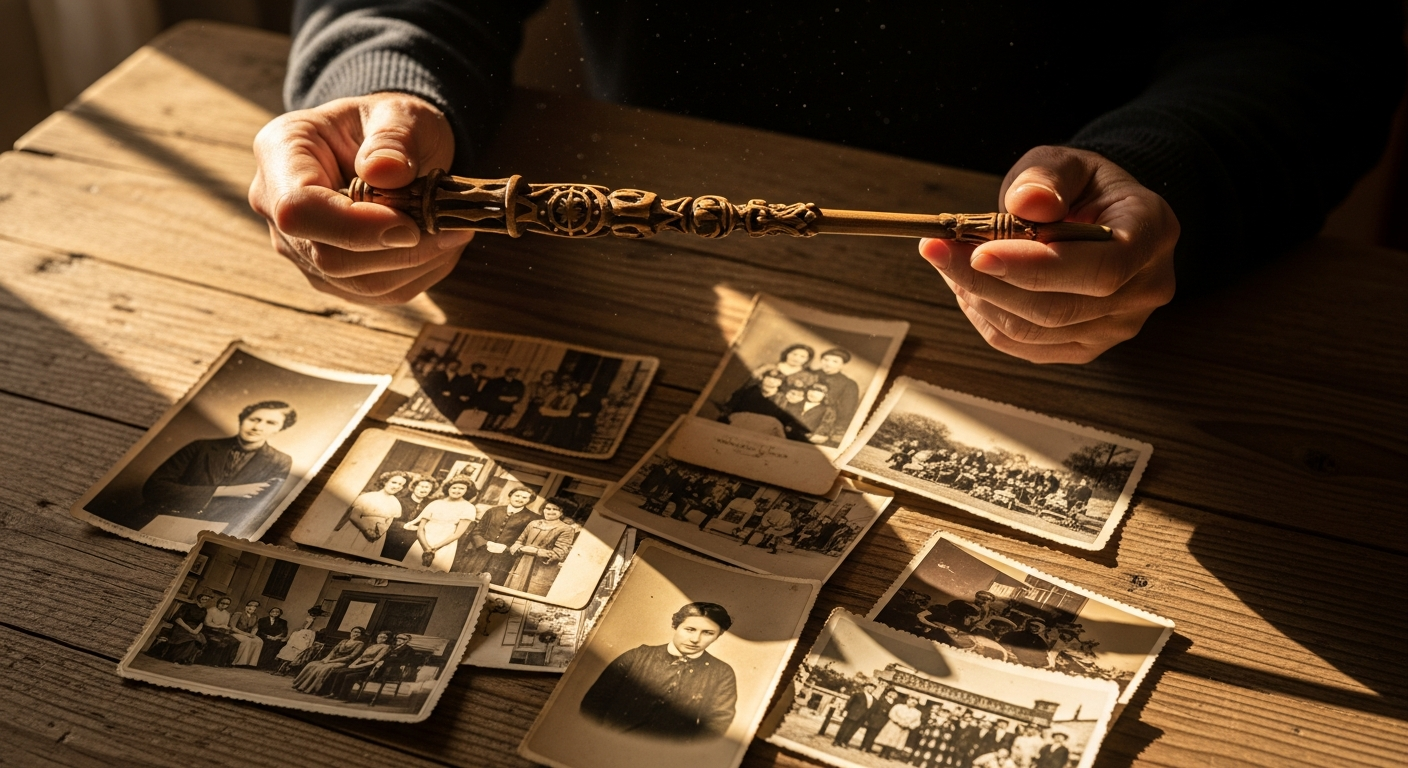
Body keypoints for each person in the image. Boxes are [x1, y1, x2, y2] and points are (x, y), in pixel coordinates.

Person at [250, 4, 1403, 367]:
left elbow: (1310, 34)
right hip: (629, 303)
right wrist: (378, 79)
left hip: (1080, 323)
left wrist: (1175, 166)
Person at [127, 401, 295, 537]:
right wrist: (223, 491)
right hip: (163, 520)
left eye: (270, 422)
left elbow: (258, 508)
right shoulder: (202, 447)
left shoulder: (280, 461)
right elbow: (154, 488)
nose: (258, 427)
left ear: (280, 428)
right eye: (254, 419)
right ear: (242, 419)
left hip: (215, 533)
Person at [579, 602, 737, 740]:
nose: (695, 639)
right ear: (676, 626)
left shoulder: (722, 673)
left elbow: (717, 724)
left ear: (718, 635)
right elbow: (594, 702)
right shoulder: (637, 656)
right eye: (690, 629)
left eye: (708, 633)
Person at [452, 487, 541, 582]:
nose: (519, 499)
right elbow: (477, 531)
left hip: (503, 560)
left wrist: (507, 549)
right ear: (510, 496)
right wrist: (485, 543)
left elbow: (527, 541)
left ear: (529, 500)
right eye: (517, 495)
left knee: (491, 584)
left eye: (524, 497)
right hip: (480, 555)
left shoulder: (532, 518)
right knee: (469, 581)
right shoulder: (493, 511)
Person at [503, 497, 577, 594]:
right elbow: (518, 543)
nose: (550, 511)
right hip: (521, 564)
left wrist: (534, 551)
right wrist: (519, 547)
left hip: (541, 570)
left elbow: (559, 554)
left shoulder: (566, 529)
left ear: (562, 512)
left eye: (555, 509)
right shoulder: (533, 523)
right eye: (547, 508)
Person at [403, 475, 480, 570]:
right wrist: (426, 548)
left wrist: (434, 549)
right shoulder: (435, 503)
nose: (456, 490)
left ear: (467, 490)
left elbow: (457, 534)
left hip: (444, 545)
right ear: (448, 488)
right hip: (423, 542)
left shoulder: (468, 508)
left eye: (461, 488)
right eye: (454, 487)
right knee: (409, 569)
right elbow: (421, 528)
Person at [328, 471, 409, 557]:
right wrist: (366, 530)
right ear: (385, 481)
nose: (396, 486)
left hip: (376, 536)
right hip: (358, 530)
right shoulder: (368, 497)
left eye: (400, 484)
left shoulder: (396, 503)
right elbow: (354, 516)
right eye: (394, 482)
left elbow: (388, 522)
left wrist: (378, 534)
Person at [329, 632, 417, 700]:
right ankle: (334, 693)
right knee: (341, 672)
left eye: (402, 639)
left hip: (388, 669)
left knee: (349, 676)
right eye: (398, 638)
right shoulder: (392, 647)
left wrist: (384, 661)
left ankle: (342, 696)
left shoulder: (408, 650)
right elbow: (380, 657)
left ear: (406, 641)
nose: (399, 640)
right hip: (375, 665)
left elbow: (403, 660)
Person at [293, 627, 366, 694]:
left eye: (358, 632)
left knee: (324, 668)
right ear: (351, 632)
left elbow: (350, 656)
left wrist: (331, 661)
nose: (355, 634)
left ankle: (313, 689)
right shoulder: (344, 641)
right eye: (354, 631)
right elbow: (333, 651)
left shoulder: (360, 644)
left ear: (361, 635)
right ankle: (300, 685)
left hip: (342, 662)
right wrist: (327, 658)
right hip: (331, 659)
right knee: (312, 664)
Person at [320, 631, 392, 697]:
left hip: (368, 668)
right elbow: (361, 657)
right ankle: (328, 692)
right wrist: (352, 665)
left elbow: (374, 661)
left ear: (388, 639)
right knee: (336, 671)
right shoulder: (372, 646)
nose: (381, 639)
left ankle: (341, 695)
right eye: (379, 636)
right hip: (359, 664)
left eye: (384, 637)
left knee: (348, 676)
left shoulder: (386, 647)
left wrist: (357, 666)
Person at [380, 476, 435, 562]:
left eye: (427, 487)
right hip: (391, 538)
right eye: (421, 486)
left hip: (411, 542)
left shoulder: (429, 506)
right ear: (414, 487)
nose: (423, 489)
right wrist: (404, 526)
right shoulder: (399, 501)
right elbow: (386, 520)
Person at [813, 348, 860, 435]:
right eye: (826, 359)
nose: (828, 364)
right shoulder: (809, 374)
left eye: (835, 361)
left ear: (842, 365)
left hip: (826, 424)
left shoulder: (849, 384)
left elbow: (846, 411)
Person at [164, 594, 211, 664]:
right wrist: (190, 630)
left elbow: (201, 623)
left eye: (208, 600)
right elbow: (178, 619)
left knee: (200, 639)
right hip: (182, 627)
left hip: (195, 629)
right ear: (199, 599)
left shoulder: (204, 610)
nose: (206, 602)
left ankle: (186, 659)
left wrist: (196, 631)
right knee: (190, 638)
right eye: (204, 599)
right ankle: (178, 658)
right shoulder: (187, 606)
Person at [875, 695, 924, 761]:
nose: (912, 703)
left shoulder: (917, 712)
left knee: (896, 741)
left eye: (914, 702)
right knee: (888, 739)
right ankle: (882, 753)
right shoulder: (898, 706)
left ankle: (888, 754)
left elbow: (917, 722)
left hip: (904, 728)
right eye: (910, 700)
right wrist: (898, 721)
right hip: (894, 725)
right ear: (907, 700)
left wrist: (909, 725)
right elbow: (891, 713)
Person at [832, 683, 880, 749]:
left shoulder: (874, 700)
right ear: (865, 687)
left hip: (862, 718)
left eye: (873, 688)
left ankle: (844, 742)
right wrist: (845, 710)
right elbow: (849, 703)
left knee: (853, 730)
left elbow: (872, 710)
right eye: (869, 687)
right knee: (844, 728)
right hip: (852, 714)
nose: (871, 689)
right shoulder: (858, 695)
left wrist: (868, 719)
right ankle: (837, 741)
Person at [514, 370, 559, 440]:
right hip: (531, 403)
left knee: (536, 415)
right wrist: (533, 398)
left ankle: (529, 432)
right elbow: (528, 393)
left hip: (543, 406)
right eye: (546, 375)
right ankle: (520, 429)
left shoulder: (554, 389)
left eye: (550, 377)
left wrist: (542, 401)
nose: (547, 378)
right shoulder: (534, 384)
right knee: (526, 414)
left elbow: (550, 398)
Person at [199, 597, 238, 666]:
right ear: (218, 602)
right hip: (209, 630)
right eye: (222, 603)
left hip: (220, 631)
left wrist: (225, 628)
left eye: (227, 604)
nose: (224, 605)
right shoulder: (211, 610)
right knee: (217, 641)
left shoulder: (227, 614)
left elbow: (225, 625)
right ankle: (209, 661)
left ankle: (221, 662)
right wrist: (219, 626)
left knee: (233, 641)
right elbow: (207, 623)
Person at [859, 689, 899, 754]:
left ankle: (869, 747)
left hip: (884, 722)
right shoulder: (881, 700)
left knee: (875, 735)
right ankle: (863, 746)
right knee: (869, 734)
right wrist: (870, 718)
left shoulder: (894, 704)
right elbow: (874, 709)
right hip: (875, 719)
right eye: (891, 693)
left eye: (894, 694)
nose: (893, 695)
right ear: (888, 693)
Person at [229, 599, 266, 667]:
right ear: (246, 606)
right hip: (236, 633)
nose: (252, 608)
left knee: (259, 641)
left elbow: (255, 627)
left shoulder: (255, 616)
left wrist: (252, 634)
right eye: (250, 606)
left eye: (255, 607)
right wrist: (246, 634)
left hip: (248, 634)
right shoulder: (238, 614)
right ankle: (238, 662)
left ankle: (250, 663)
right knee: (247, 641)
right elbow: (233, 627)